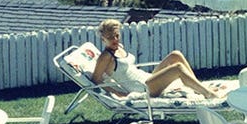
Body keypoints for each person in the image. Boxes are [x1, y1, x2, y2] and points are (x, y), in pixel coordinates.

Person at [92, 19, 223, 99]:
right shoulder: (105, 56)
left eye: (117, 35)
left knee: (175, 55)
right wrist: (117, 93)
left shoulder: (118, 47)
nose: (115, 40)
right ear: (103, 39)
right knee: (177, 68)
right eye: (110, 37)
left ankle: (198, 87)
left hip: (147, 78)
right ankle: (208, 94)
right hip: (143, 88)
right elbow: (95, 80)